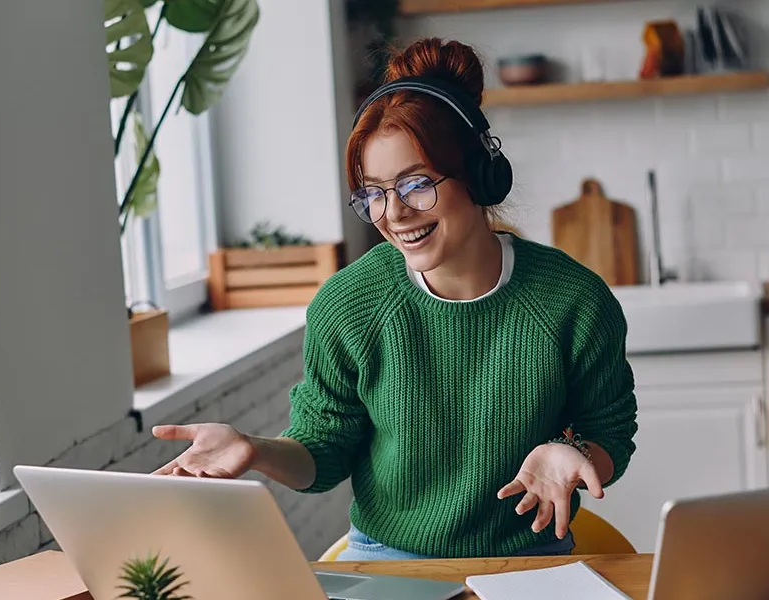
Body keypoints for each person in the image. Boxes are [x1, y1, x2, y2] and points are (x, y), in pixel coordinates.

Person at [152, 37, 638, 561]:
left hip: (529, 558)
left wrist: (572, 451)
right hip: (387, 559)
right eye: (374, 193)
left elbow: (609, 432)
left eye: (416, 184)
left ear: (480, 174)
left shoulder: (572, 300)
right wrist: (255, 450)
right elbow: (323, 451)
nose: (394, 213)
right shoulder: (349, 305)